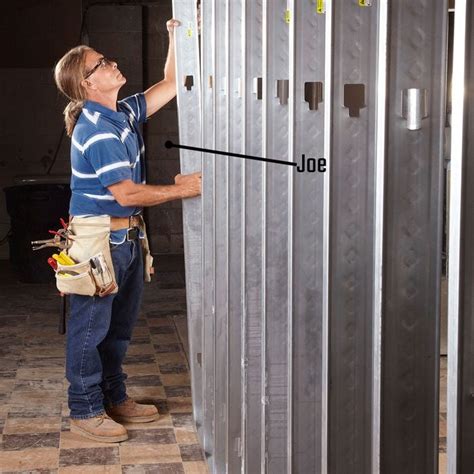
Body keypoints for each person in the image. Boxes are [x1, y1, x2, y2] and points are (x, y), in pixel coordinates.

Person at [53, 19, 201, 443]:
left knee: (118, 327)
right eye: (102, 63)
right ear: (87, 84)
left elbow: (172, 82)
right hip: (100, 240)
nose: (112, 63)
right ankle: (85, 409)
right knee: (90, 329)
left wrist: (176, 35)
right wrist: (183, 189)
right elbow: (126, 193)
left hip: (126, 238)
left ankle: (114, 398)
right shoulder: (96, 129)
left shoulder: (120, 112)